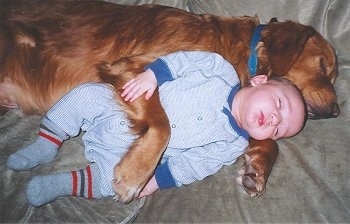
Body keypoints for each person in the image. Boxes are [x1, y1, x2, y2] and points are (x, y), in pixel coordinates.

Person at [6, 51, 306, 207]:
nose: (275, 119)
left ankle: (63, 184)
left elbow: (191, 166)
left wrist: (155, 182)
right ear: (259, 81)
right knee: (87, 95)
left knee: (115, 184)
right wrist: (153, 76)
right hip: (123, 106)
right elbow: (184, 61)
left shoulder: (231, 145)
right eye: (279, 105)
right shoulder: (221, 71)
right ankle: (48, 140)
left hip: (130, 153)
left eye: (279, 130)